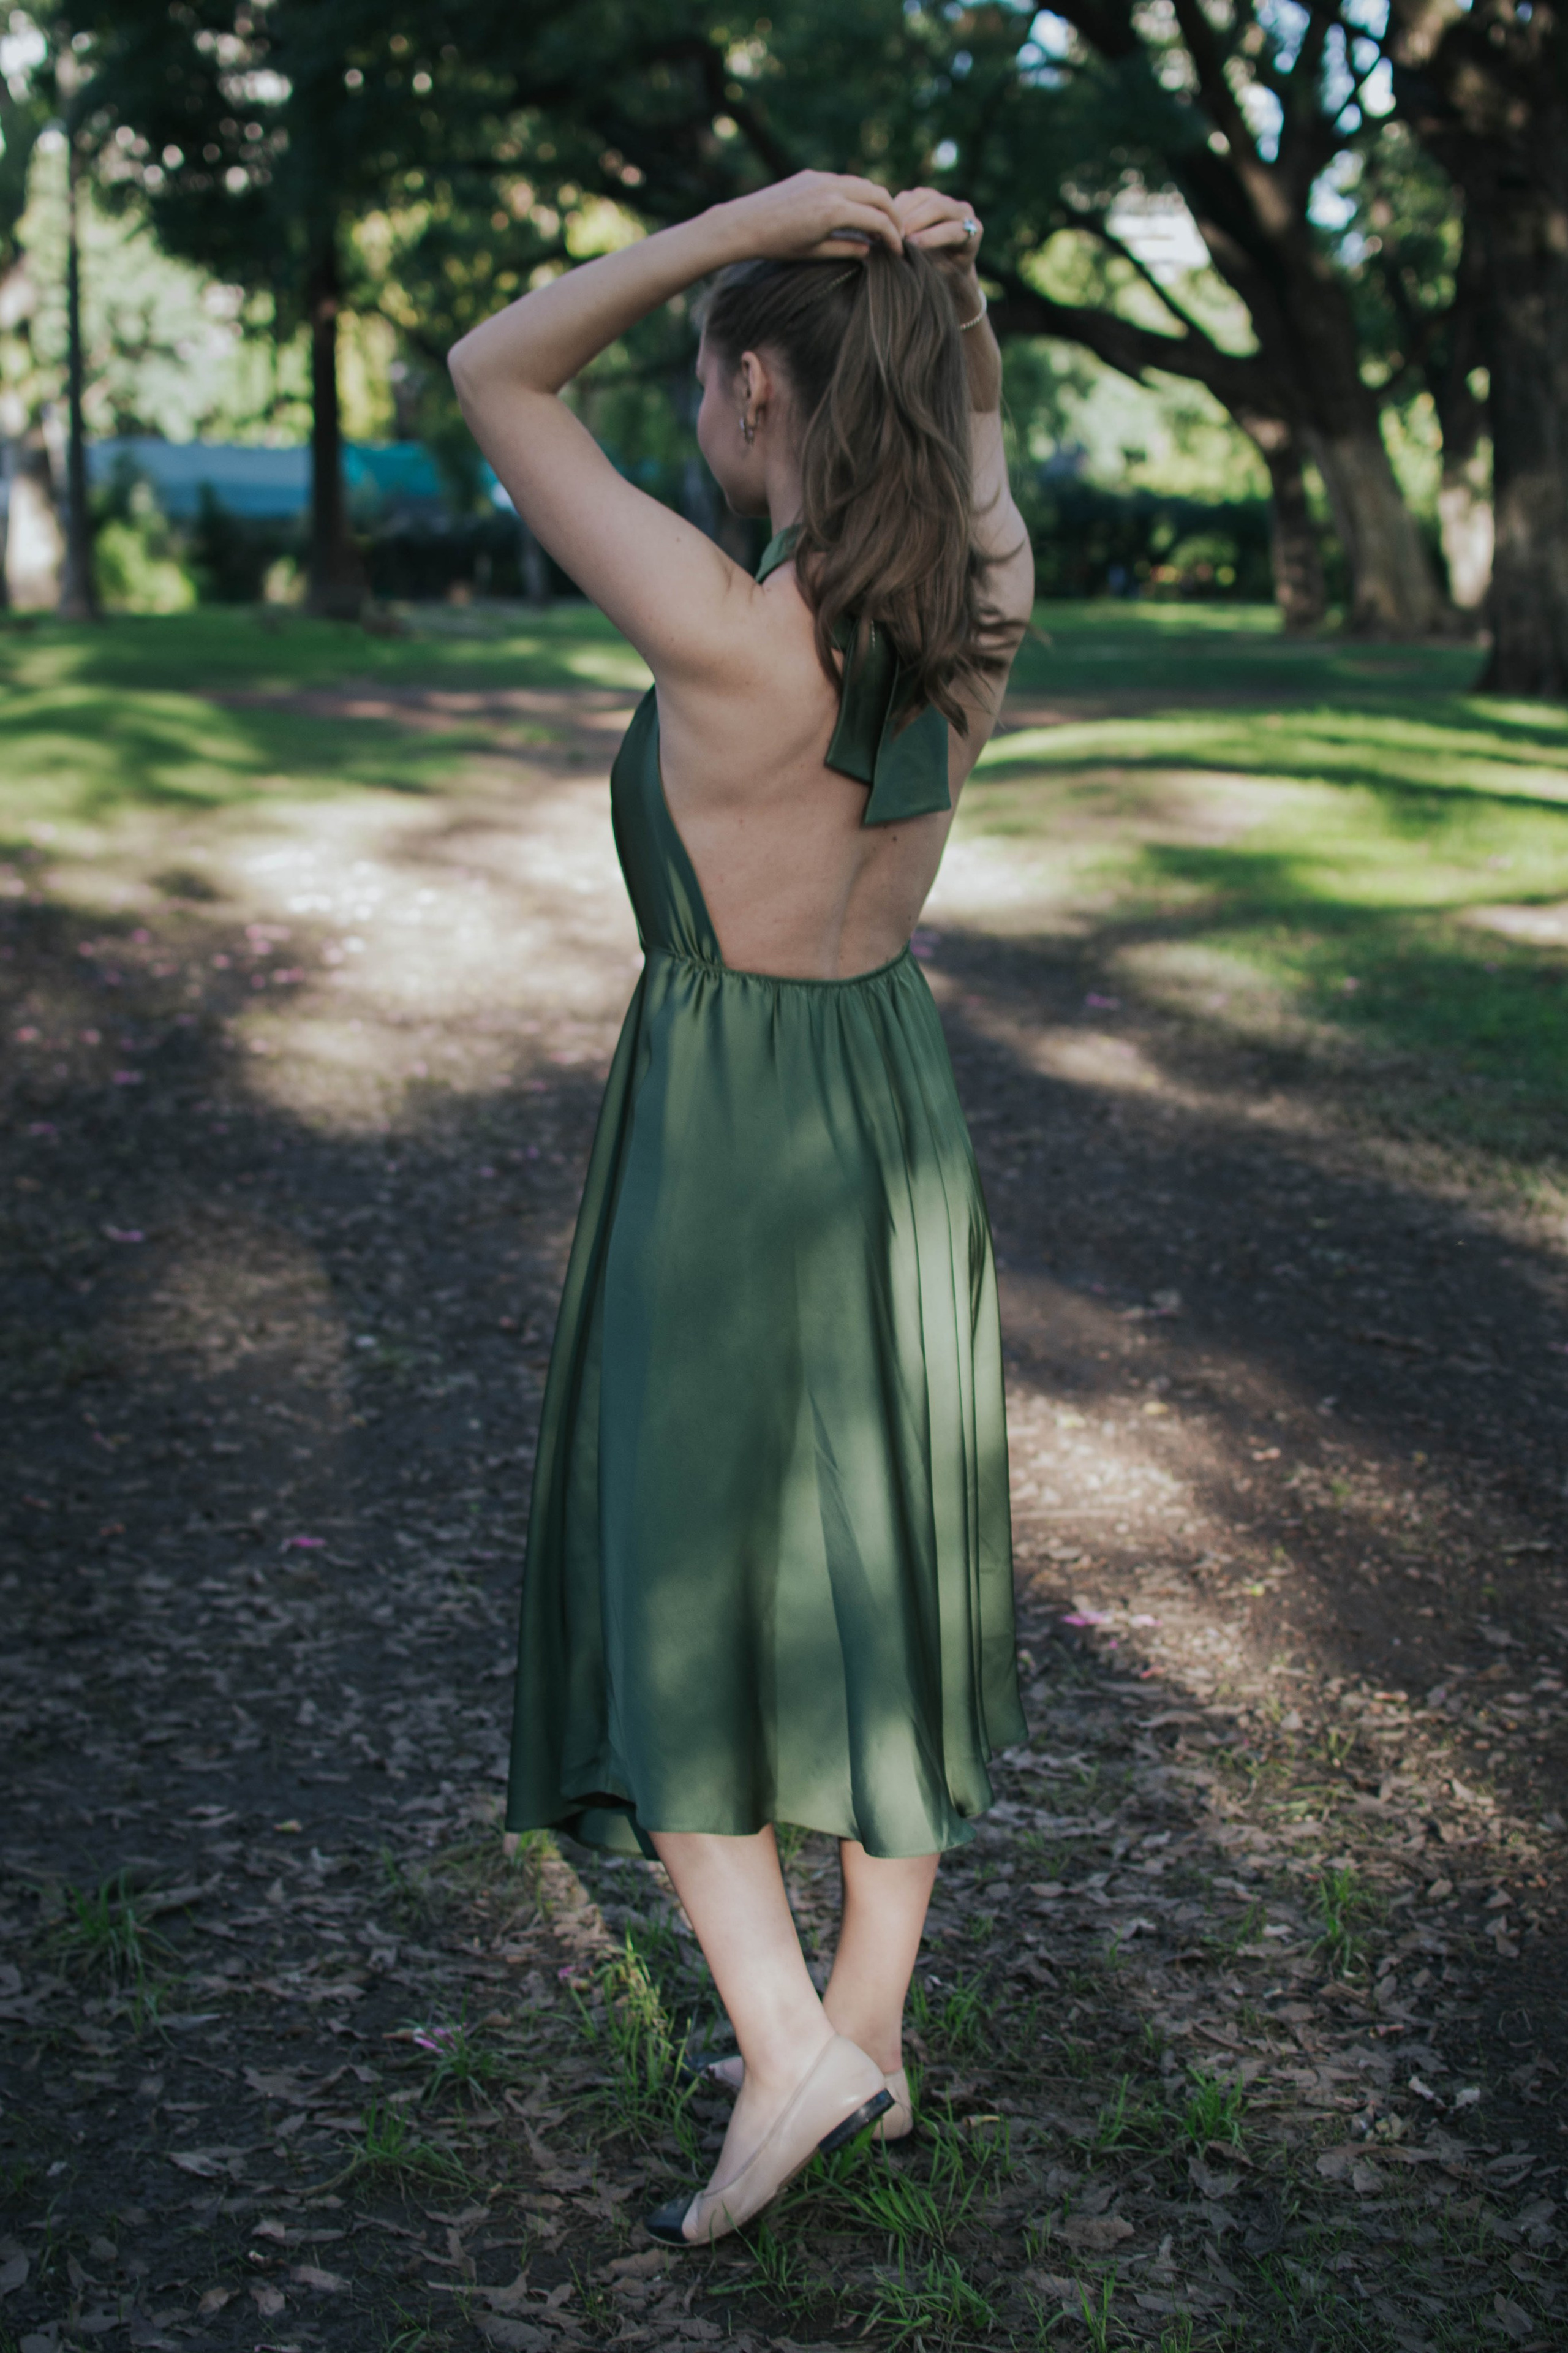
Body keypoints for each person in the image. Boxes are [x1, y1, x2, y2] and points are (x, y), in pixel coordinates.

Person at [449, 170, 1035, 2247]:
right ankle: (868, 2029)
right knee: (887, 1559)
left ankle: (787, 2031)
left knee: (681, 1571)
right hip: (889, 1111)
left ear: (753, 386)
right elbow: (969, 444)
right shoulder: (981, 600)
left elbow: (494, 368)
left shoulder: (717, 624)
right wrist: (946, 308)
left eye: (714, 371)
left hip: (721, 1135)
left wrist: (731, 227)